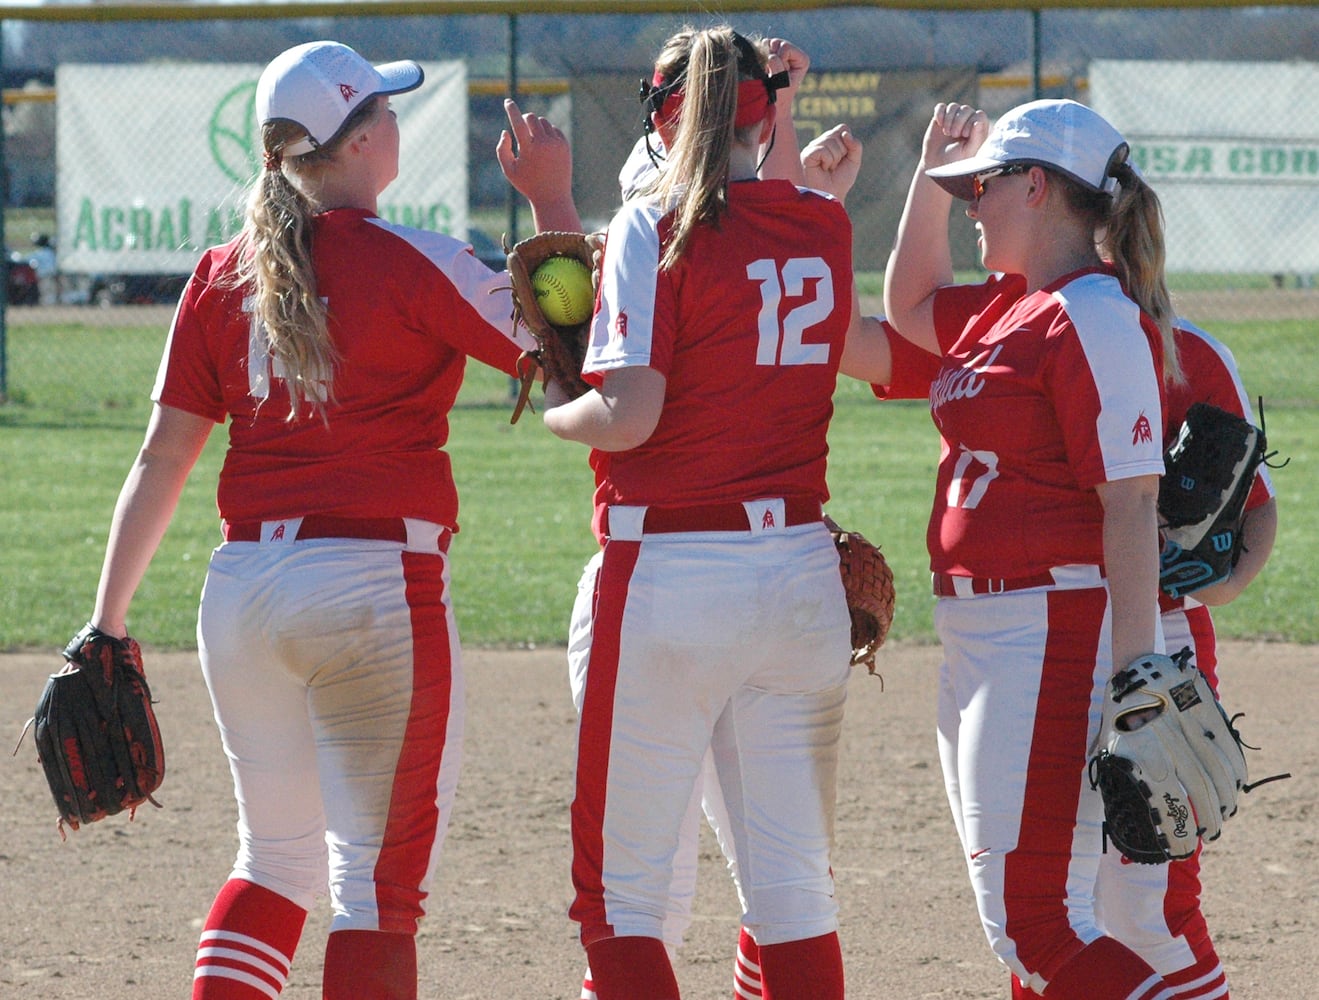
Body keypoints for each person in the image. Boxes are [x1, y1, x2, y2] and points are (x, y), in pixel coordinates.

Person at [77, 40, 579, 1000]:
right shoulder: (410, 261)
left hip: (240, 599)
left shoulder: (224, 272)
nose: (396, 124)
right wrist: (553, 202)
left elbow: (163, 458)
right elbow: (573, 353)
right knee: (375, 892)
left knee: (273, 862)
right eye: (381, 111)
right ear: (355, 144)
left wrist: (105, 622)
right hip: (371, 591)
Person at [542, 25, 856, 1000]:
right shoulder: (825, 223)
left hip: (669, 576)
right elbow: (772, 202)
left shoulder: (650, 223)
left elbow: (629, 417)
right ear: (762, 111)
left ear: (661, 112)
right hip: (801, 574)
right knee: (793, 898)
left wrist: (558, 409)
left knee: (620, 906)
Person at [881, 97, 1209, 999]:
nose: (972, 205)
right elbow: (904, 310)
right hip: (988, 633)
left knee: (1036, 922)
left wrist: (1139, 682)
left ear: (1036, 186)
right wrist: (928, 177)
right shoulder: (1018, 311)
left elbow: (1131, 504)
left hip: (1049, 627)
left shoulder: (1091, 316)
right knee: (1043, 917)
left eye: (983, 186)